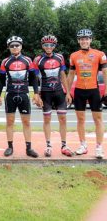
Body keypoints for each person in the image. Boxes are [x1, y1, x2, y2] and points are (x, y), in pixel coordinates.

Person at [0, 36, 41, 158]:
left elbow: (33, 78)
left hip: (24, 94)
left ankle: (29, 148)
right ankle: (10, 147)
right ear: (9, 48)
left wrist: (36, 93)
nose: (14, 47)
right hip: (10, 94)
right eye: (12, 46)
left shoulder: (27, 60)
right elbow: (0, 80)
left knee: (26, 122)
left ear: (21, 46)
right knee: (10, 122)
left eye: (17, 45)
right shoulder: (5, 62)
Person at [66, 29, 107, 159]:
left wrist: (106, 90)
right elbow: (70, 75)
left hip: (94, 90)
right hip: (79, 90)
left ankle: (99, 147)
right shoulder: (73, 55)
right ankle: (83, 145)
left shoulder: (99, 54)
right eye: (82, 39)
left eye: (86, 38)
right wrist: (67, 92)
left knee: (98, 119)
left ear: (90, 40)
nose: (84, 41)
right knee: (80, 119)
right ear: (79, 41)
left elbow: (105, 73)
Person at [33, 35, 74, 157]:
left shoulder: (60, 57)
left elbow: (63, 75)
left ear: (54, 46)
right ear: (42, 46)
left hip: (59, 92)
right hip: (45, 93)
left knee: (63, 119)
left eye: (51, 45)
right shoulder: (37, 60)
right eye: (46, 45)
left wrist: (67, 92)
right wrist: (37, 95)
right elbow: (35, 78)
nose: (49, 47)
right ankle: (48, 145)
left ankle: (64, 145)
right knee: (47, 119)